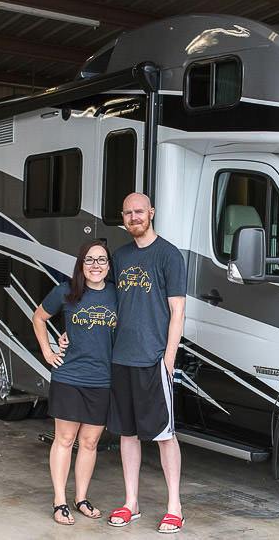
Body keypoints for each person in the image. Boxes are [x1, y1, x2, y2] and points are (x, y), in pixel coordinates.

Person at [107, 192, 187, 533]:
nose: (134, 217)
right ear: (122, 217)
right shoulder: (119, 256)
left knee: (164, 434)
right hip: (121, 358)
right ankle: (131, 503)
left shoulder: (169, 255)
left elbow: (178, 310)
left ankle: (174, 506)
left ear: (151, 212)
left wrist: (168, 359)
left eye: (139, 211)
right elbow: (105, 303)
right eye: (128, 213)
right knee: (128, 433)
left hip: (154, 360)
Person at [32, 239, 117, 525]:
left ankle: (81, 498)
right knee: (65, 439)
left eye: (101, 260)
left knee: (90, 443)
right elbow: (39, 317)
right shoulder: (66, 291)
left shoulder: (117, 296)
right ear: (81, 264)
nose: (96, 265)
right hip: (69, 377)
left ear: (108, 265)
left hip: (102, 380)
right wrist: (47, 351)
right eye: (89, 260)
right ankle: (59, 501)